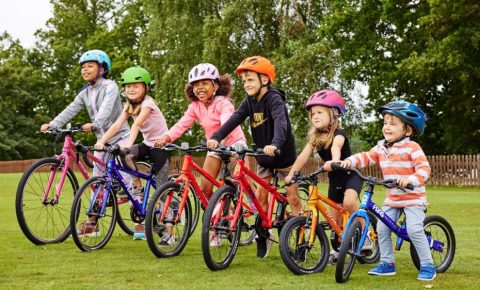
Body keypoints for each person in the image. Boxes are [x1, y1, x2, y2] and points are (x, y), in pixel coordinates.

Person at [207, 56, 301, 259]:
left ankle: (299, 237)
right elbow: (235, 119)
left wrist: (275, 144)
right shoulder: (249, 102)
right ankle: (263, 234)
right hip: (264, 158)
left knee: (292, 196)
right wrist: (216, 136)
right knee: (261, 197)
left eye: (250, 80)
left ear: (265, 80)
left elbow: (280, 123)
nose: (246, 84)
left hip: (284, 158)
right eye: (244, 81)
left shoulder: (274, 99)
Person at [334, 100, 435, 281]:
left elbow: (424, 169)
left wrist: (410, 179)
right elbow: (366, 157)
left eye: (393, 123)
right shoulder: (381, 147)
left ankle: (427, 265)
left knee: (413, 230)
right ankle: (387, 263)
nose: (387, 127)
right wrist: (349, 161)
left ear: (408, 130)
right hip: (393, 198)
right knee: (381, 228)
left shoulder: (412, 147)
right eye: (385, 123)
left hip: (413, 197)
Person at [40, 49, 131, 237]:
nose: (85, 69)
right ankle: (93, 223)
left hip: (120, 136)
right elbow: (71, 109)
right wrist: (53, 124)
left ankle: (141, 218)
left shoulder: (110, 86)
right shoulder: (85, 93)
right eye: (83, 67)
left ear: (102, 69)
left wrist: (96, 124)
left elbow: (106, 110)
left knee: (128, 180)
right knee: (96, 180)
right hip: (101, 141)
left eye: (90, 66)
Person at [284, 89, 364, 264]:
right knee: (335, 222)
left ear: (334, 114)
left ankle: (366, 239)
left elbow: (336, 146)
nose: (315, 116)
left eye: (320, 112)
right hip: (335, 180)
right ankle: (339, 250)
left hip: (351, 175)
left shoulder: (339, 133)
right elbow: (303, 156)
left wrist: (334, 161)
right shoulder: (315, 137)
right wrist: (291, 174)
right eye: (313, 114)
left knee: (349, 203)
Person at [95, 66, 170, 240]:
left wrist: (128, 144)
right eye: (128, 86)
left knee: (162, 188)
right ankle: (137, 185)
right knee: (125, 156)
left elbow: (135, 126)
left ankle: (169, 227)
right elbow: (117, 125)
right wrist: (101, 141)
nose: (131, 89)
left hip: (161, 147)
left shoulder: (148, 103)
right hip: (147, 144)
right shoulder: (129, 105)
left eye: (136, 86)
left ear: (145, 88)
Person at [155, 63, 247, 201]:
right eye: (196, 85)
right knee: (205, 188)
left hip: (234, 145)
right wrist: (166, 137)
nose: (200, 88)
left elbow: (227, 122)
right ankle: (217, 216)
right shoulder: (195, 107)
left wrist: (220, 139)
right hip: (214, 147)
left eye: (205, 83)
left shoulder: (224, 103)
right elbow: (181, 125)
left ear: (215, 86)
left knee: (240, 183)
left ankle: (257, 212)